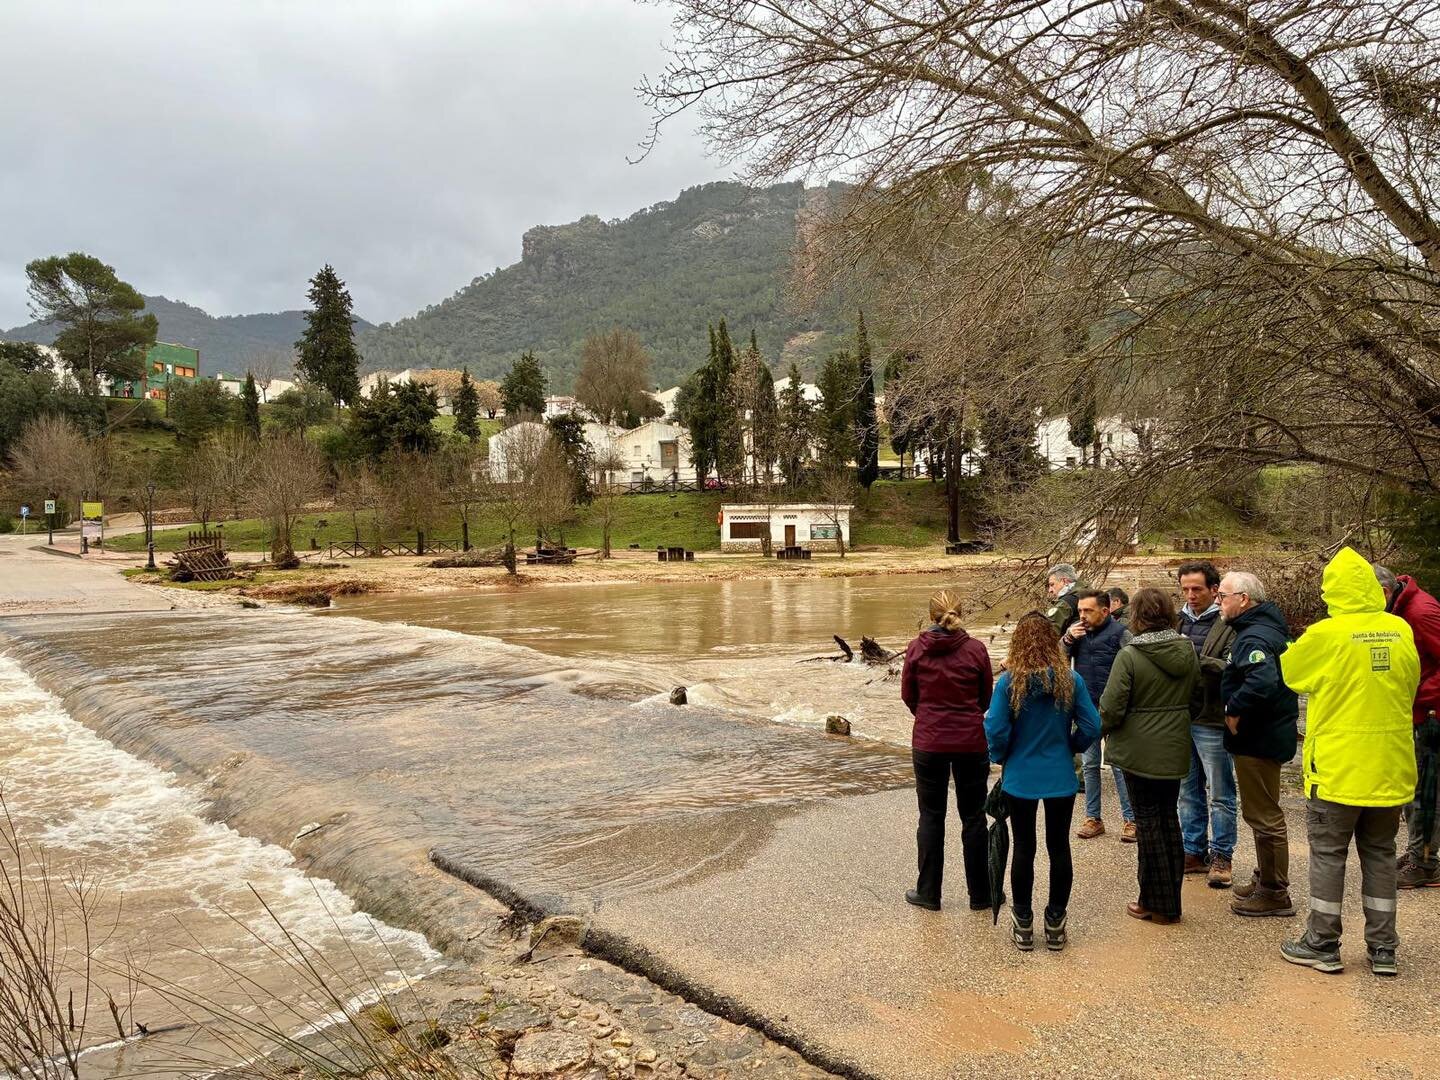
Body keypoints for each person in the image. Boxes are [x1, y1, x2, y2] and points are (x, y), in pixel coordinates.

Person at [1279, 547, 1419, 977]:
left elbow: (1292, 673)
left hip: (1338, 768)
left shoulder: (1327, 633)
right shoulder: (1399, 629)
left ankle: (1322, 942)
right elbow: (1410, 681)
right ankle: (1383, 948)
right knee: (1380, 853)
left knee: (1329, 855)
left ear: (1333, 592)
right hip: (1389, 767)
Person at [986, 613, 1101, 952]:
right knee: (1058, 847)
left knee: (1024, 848)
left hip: (1020, 775)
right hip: (1059, 775)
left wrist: (1001, 754)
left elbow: (995, 728)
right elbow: (1092, 726)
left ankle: (1023, 921)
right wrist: (1072, 747)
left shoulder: (1009, 683)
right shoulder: (1070, 680)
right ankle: (1055, 922)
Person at [1099, 587, 1200, 924]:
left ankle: (1155, 903)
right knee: (1168, 820)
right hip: (1173, 747)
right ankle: (1168, 900)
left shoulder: (1129, 655)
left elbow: (1111, 708)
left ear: (1137, 616)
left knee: (1148, 824)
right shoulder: (1187, 649)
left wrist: (1093, 732)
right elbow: (1197, 700)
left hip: (1136, 750)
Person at [901, 589, 995, 912]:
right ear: (961, 611)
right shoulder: (976, 650)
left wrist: (928, 716)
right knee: (974, 817)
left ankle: (929, 892)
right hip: (970, 741)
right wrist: (966, 716)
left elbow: (908, 695)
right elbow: (986, 698)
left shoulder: (916, 649)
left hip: (929, 742)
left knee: (931, 815)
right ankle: (981, 895)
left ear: (931, 617)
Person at [1217, 571, 1300, 917]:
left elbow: (1262, 679)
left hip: (1258, 738)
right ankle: (1266, 877)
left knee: (1263, 814)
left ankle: (1274, 891)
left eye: (1223, 595)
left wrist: (1234, 710)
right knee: (1263, 809)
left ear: (1244, 599)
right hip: (1268, 733)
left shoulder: (1253, 638)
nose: (1219, 601)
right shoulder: (1265, 628)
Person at [1374, 565, 1440, 889]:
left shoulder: (1420, 611)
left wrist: (1415, 696)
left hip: (1431, 713)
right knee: (1413, 788)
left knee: (1427, 793)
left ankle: (1426, 862)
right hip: (1416, 712)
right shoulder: (1400, 608)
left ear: (1384, 593)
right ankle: (1419, 852)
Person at [1175, 560, 1239, 888]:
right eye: (1185, 589)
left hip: (1213, 717)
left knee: (1221, 792)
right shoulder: (1176, 621)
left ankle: (1222, 854)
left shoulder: (1229, 622)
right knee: (1187, 791)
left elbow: (1234, 666)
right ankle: (1193, 850)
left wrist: (1193, 660)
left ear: (1214, 590)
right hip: (1181, 715)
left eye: (1197, 589)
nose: (1190, 595)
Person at [1064, 590, 1135, 842]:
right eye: (1080, 611)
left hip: (1116, 709)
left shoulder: (1122, 633)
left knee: (1119, 765)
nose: (1082, 616)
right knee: (1090, 765)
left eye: (1088, 611)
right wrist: (1067, 640)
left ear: (1105, 611)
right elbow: (1058, 663)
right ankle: (1093, 818)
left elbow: (1137, 665)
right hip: (1086, 709)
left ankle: (1131, 820)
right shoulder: (1076, 634)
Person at [1045, 563, 1082, 637]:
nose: (1050, 590)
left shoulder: (1066, 603)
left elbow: (1047, 630)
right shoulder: (1087, 590)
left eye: (1052, 585)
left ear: (1064, 581)